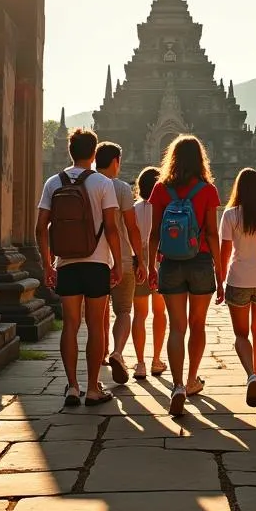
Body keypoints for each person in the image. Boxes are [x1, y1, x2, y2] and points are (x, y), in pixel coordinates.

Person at [36, 128, 123, 407]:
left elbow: (41, 228)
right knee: (96, 325)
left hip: (66, 263)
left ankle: (72, 386)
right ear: (94, 153)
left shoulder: (53, 182)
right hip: (97, 263)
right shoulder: (102, 183)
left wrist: (47, 263)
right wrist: (118, 264)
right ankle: (93, 387)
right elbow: (111, 228)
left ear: (69, 151)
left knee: (70, 325)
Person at [148, 135, 223, 416]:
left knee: (176, 327)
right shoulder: (208, 190)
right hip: (201, 261)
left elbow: (154, 234)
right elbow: (213, 234)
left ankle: (177, 385)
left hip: (170, 262)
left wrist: (150, 266)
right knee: (198, 324)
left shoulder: (160, 189)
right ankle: (192, 379)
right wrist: (221, 269)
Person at [219, 168, 256, 407]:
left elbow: (225, 253)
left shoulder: (231, 215)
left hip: (238, 279)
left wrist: (219, 281)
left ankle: (251, 374)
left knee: (241, 334)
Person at [95, 142, 147, 385]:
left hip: (93, 260)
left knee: (98, 312)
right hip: (123, 259)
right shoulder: (122, 187)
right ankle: (117, 351)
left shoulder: (88, 184)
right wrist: (142, 260)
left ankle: (101, 354)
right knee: (124, 311)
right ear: (116, 161)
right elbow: (131, 227)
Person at [131, 165, 167, 379]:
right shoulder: (163, 208)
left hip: (139, 264)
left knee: (140, 314)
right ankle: (156, 359)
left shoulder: (134, 209)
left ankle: (140, 363)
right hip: (161, 262)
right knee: (159, 313)